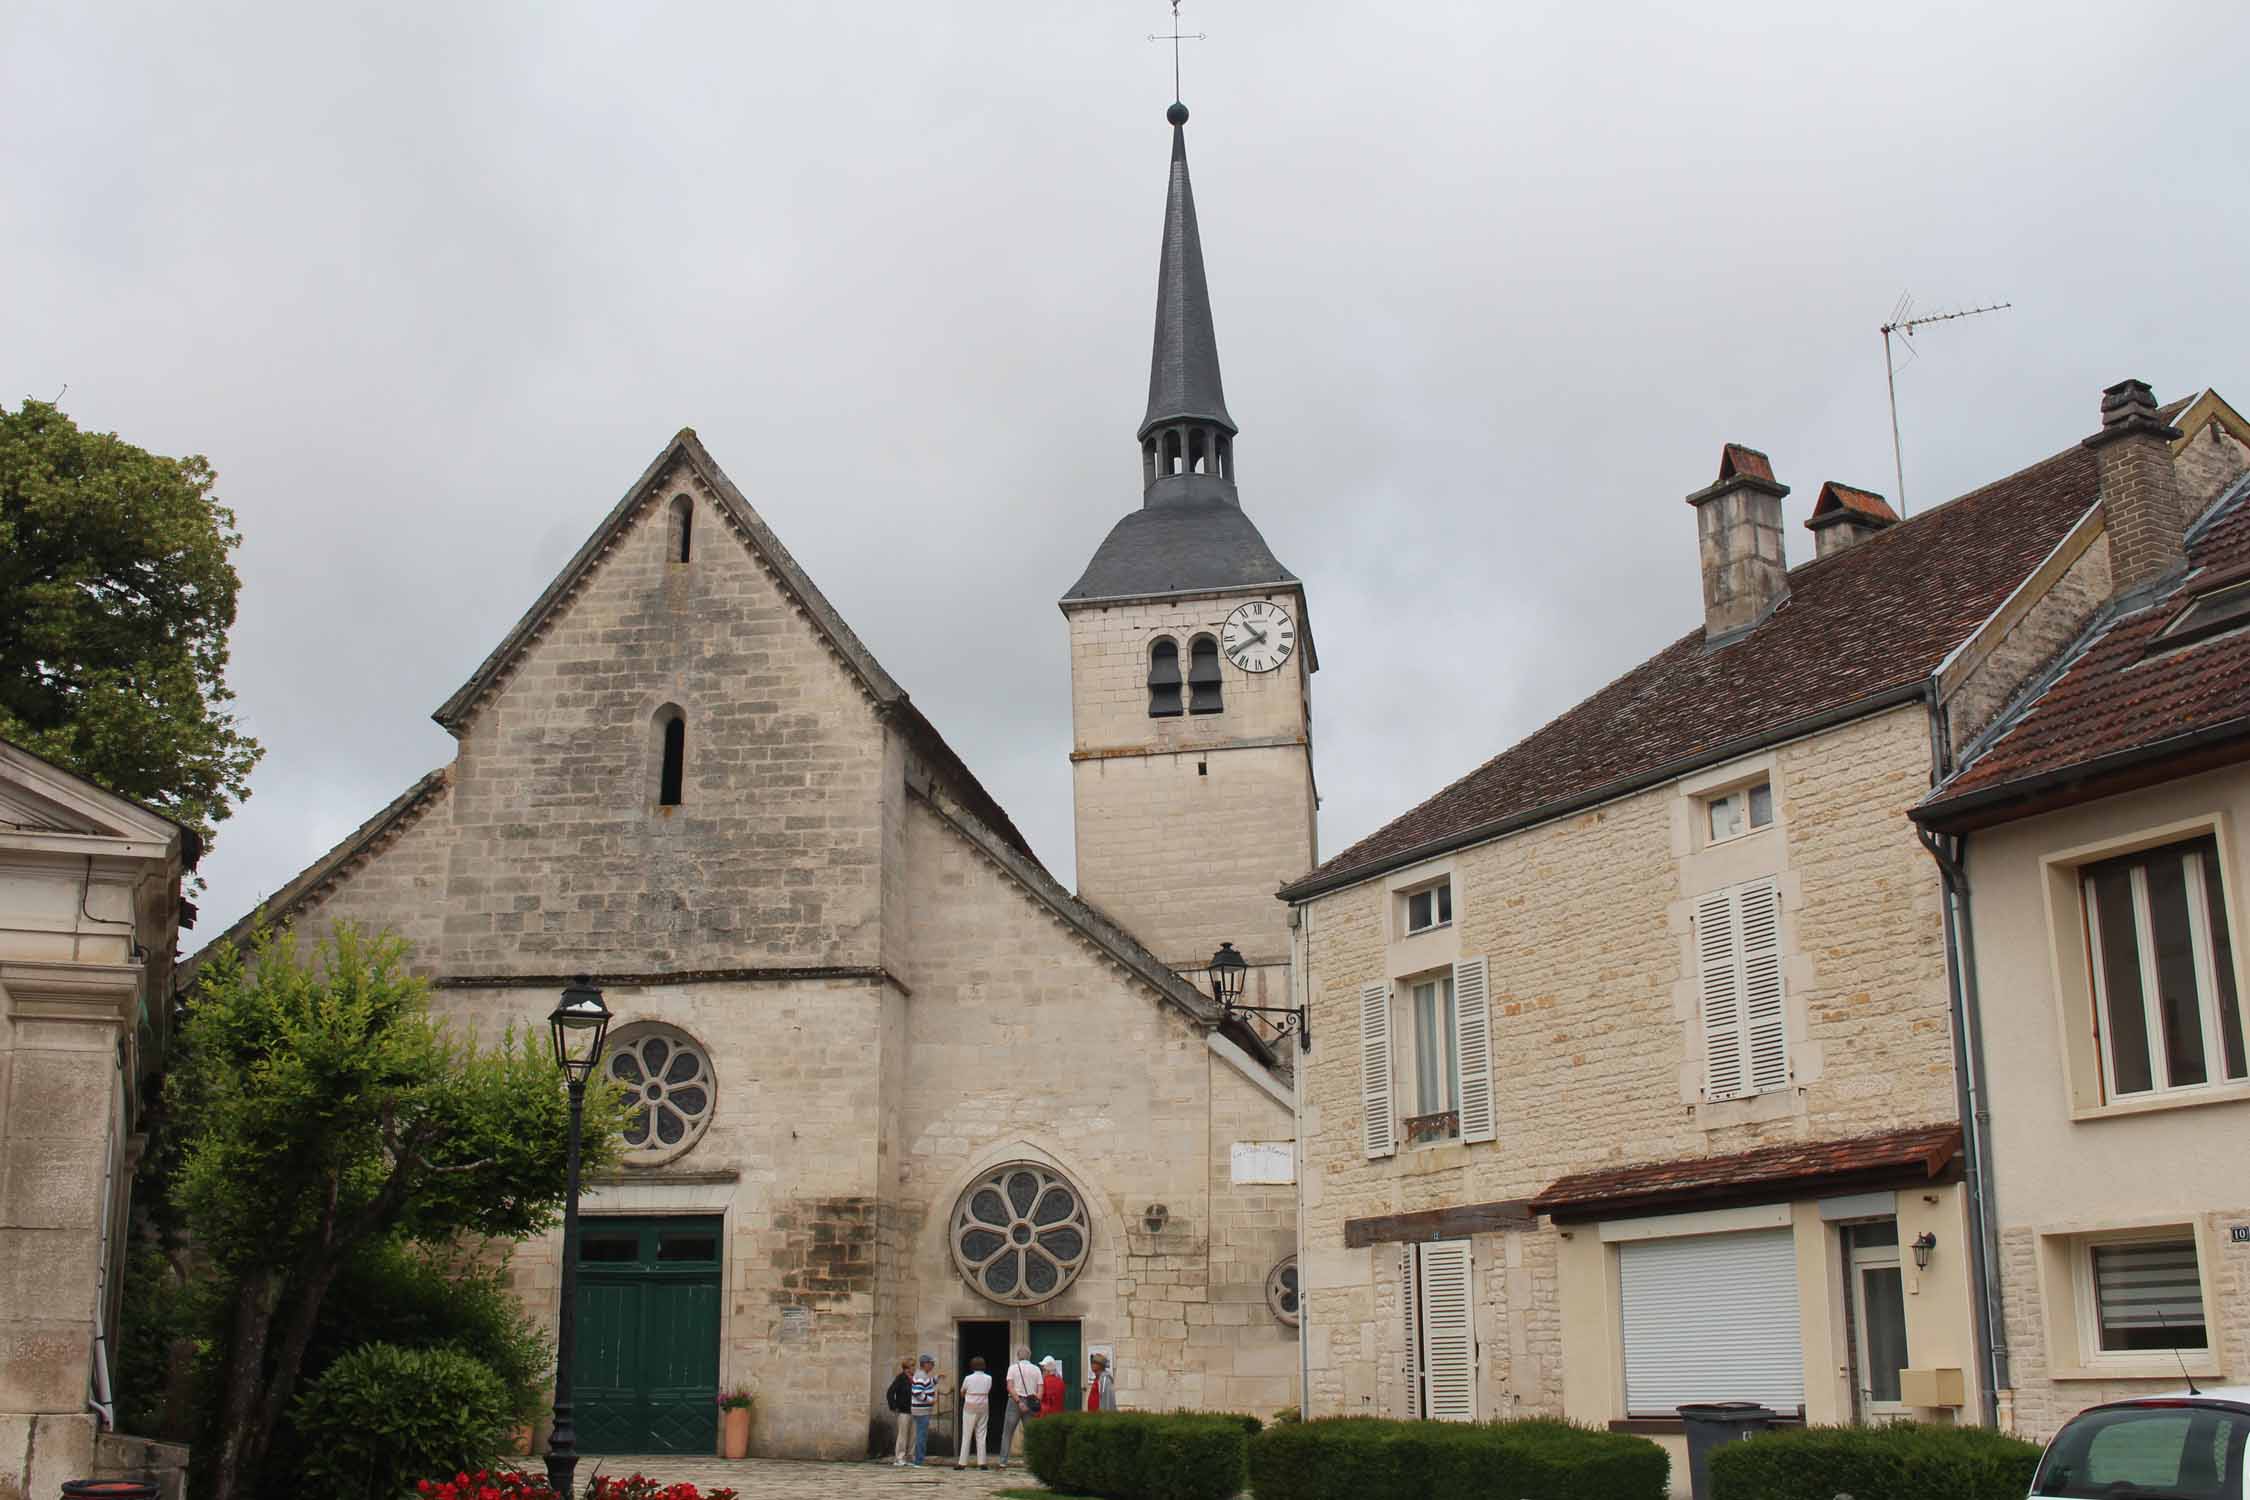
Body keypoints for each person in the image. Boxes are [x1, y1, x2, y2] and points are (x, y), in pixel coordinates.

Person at [997, 1344, 1042, 1468]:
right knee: (1029, 1433)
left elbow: (1010, 1387)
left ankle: (1003, 1462)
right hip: (1031, 1400)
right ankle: (1029, 1462)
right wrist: (1036, 1399)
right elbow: (1040, 1388)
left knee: (1007, 1433)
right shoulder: (1036, 1369)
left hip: (1015, 1402)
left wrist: (1019, 1402)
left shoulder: (1012, 1368)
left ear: (1018, 1356)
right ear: (1029, 1356)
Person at [955, 1355, 993, 1469]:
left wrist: (966, 1395)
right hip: (983, 1407)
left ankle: (962, 1463)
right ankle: (982, 1462)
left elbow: (962, 1391)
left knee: (967, 1434)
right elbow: (988, 1390)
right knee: (981, 1434)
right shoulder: (989, 1378)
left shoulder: (968, 1378)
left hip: (970, 1408)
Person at [909, 1353, 940, 1466]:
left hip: (922, 1410)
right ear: (925, 1364)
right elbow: (917, 1392)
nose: (933, 1366)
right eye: (931, 1363)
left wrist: (936, 1378)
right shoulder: (921, 1375)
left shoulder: (923, 1375)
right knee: (921, 1435)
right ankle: (919, 1461)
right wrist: (929, 1400)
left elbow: (927, 1384)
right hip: (921, 1411)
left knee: (921, 1434)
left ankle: (919, 1459)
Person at [885, 1355, 915, 1467]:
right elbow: (890, 1392)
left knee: (913, 1436)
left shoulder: (914, 1378)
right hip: (904, 1411)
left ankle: (911, 1457)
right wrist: (894, 1406)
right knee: (903, 1435)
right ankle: (899, 1458)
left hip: (914, 1410)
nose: (914, 1368)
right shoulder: (900, 1378)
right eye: (912, 1366)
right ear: (907, 1367)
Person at [1038, 1356, 1065, 1420]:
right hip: (1059, 1414)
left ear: (1047, 1370)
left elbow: (1040, 1397)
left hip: (1046, 1414)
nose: (1042, 1372)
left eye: (1043, 1370)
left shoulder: (1044, 1381)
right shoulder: (1061, 1381)